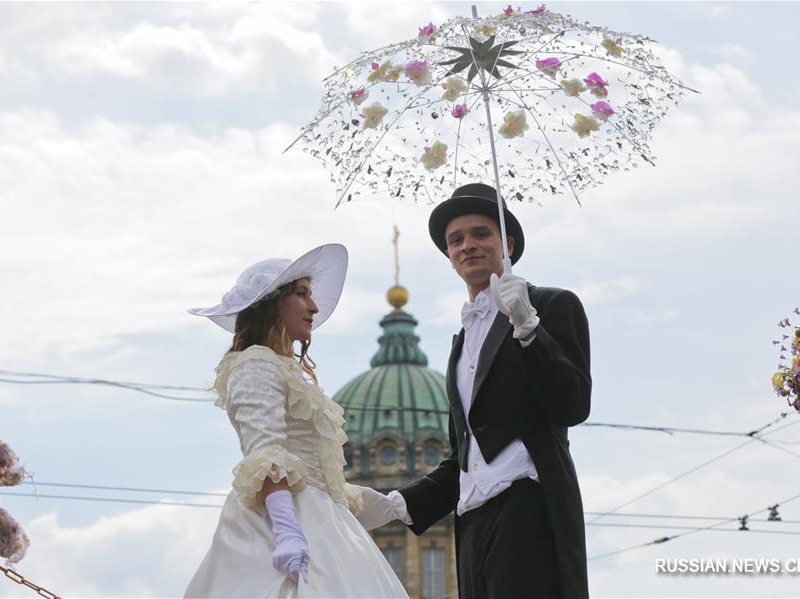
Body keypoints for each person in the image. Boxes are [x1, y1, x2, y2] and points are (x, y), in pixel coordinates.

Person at [356, 183, 592, 598]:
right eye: (456, 240)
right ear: (449, 256)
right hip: (471, 523)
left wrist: (529, 329)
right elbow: (465, 460)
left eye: (481, 234)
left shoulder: (553, 305)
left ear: (509, 244)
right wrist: (398, 504)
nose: (468, 245)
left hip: (528, 510)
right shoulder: (460, 343)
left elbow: (572, 404)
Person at [184, 243, 407, 599]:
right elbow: (266, 453)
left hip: (318, 519)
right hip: (280, 522)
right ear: (273, 305)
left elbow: (315, 474)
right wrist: (287, 531)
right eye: (302, 294)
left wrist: (389, 504)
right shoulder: (254, 363)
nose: (314, 306)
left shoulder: (280, 368)